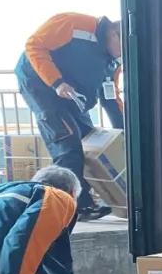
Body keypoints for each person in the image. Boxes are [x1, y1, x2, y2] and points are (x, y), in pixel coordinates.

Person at [15, 13, 124, 220]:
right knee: (67, 142)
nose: (122, 56)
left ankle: (84, 200)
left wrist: (124, 131)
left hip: (72, 93)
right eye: (123, 48)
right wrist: (56, 82)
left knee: (89, 138)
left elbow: (110, 98)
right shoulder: (75, 24)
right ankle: (71, 207)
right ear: (113, 34)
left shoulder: (112, 61)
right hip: (42, 86)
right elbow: (34, 45)